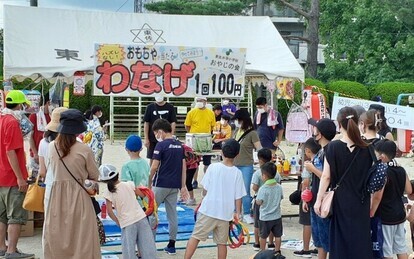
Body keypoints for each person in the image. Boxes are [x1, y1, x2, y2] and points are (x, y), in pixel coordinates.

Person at [314, 107, 373, 258]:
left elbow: (326, 177)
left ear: (339, 124)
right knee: (360, 241)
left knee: (340, 242)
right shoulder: (367, 148)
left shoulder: (332, 147)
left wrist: (318, 200)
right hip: (361, 201)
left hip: (340, 202)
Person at [43, 109, 101, 258]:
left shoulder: (52, 147)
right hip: (79, 196)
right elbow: (94, 175)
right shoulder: (84, 149)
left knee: (58, 236)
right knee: (82, 239)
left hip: (57, 197)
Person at [184, 139, 246, 259]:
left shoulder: (213, 167)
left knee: (196, 237)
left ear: (221, 152)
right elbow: (238, 197)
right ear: (237, 155)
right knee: (222, 243)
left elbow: (205, 190)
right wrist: (237, 213)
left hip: (209, 210)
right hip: (225, 214)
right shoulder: (237, 173)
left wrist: (204, 196)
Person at [0, 90, 34, 258]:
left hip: (1, 175)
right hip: (12, 176)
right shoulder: (12, 122)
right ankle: (11, 251)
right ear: (20, 105)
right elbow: (10, 151)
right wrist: (20, 177)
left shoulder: (1, 119)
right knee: (15, 216)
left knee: (2, 215)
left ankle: (2, 247)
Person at [149, 119, 189, 255]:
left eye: (156, 133)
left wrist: (148, 183)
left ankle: (149, 244)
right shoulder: (179, 145)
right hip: (174, 185)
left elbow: (154, 166)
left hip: (160, 184)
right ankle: (172, 244)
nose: (156, 136)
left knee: (152, 213)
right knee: (172, 215)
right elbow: (184, 167)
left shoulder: (161, 146)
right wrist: (183, 185)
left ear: (160, 132)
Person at [101, 164, 157, 259]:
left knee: (129, 250)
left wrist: (117, 221)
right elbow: (143, 195)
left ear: (104, 181)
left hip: (127, 223)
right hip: (141, 218)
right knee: (148, 247)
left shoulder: (109, 192)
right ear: (118, 174)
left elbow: (109, 212)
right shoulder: (129, 184)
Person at [370, 140, 411, 259]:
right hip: (399, 214)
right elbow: (408, 190)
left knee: (386, 250)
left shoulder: (382, 172)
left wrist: (371, 212)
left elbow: (377, 196)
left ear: (382, 156)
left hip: (385, 216)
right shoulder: (400, 170)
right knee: (401, 248)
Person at [306, 118, 337, 259]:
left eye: (316, 129)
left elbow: (328, 177)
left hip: (324, 201)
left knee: (325, 239)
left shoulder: (329, 151)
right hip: (316, 198)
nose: (314, 132)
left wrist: (312, 168)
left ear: (321, 133)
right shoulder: (322, 150)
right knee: (318, 238)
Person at [233, 109, 262, 224]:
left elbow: (259, 148)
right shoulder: (237, 131)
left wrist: (260, 163)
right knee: (235, 190)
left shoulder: (252, 133)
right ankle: (236, 212)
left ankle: (246, 213)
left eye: (237, 120)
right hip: (234, 164)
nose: (236, 122)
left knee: (245, 190)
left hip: (246, 165)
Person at [294, 138, 321, 258]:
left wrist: (303, 197)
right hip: (320, 195)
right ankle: (317, 247)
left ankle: (305, 249)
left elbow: (305, 182)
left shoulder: (309, 165)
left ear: (308, 151)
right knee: (319, 223)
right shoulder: (322, 160)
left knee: (307, 223)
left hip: (309, 196)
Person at [38, 107, 68, 215]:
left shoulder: (43, 143)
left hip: (51, 184)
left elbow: (42, 172)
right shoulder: (76, 143)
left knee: (50, 221)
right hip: (70, 188)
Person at [252, 148, 281, 251]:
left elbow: (255, 189)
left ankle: (258, 244)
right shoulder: (276, 174)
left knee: (258, 226)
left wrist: (256, 201)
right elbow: (281, 195)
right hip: (276, 212)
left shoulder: (258, 175)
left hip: (264, 212)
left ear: (260, 160)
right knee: (276, 232)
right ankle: (273, 245)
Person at [184, 96, 216, 187]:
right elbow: (187, 125)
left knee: (207, 163)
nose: (199, 102)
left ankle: (207, 181)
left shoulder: (210, 113)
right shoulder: (192, 112)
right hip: (194, 140)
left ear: (206, 102)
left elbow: (213, 126)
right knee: (194, 163)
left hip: (206, 140)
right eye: (197, 101)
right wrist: (191, 135)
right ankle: (195, 181)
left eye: (201, 100)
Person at [256, 162, 284, 258]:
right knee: (278, 235)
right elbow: (281, 197)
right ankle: (277, 251)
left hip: (265, 217)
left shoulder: (263, 189)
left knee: (263, 236)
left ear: (264, 176)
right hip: (276, 216)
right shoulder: (279, 187)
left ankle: (262, 251)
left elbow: (259, 202)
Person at [143, 95, 177, 165]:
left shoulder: (170, 107)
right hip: (153, 138)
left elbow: (173, 122)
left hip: (166, 137)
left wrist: (171, 135)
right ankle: (152, 174)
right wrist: (146, 138)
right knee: (152, 158)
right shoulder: (150, 107)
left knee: (166, 157)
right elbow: (146, 123)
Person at [28, 92, 51, 179]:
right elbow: (30, 136)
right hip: (36, 154)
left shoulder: (52, 116)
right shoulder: (34, 116)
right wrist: (35, 153)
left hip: (49, 155)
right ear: (48, 103)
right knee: (36, 182)